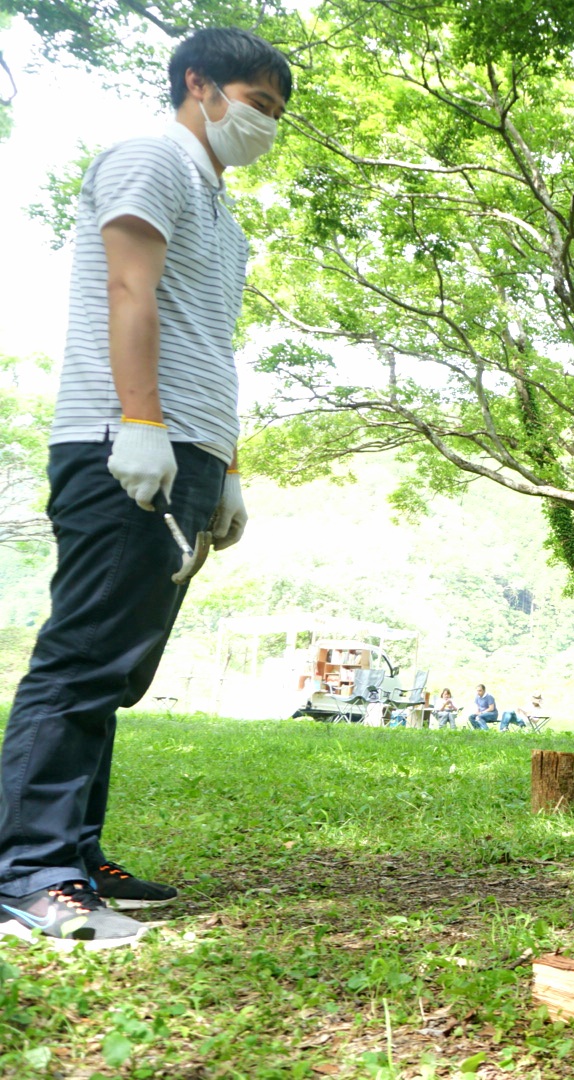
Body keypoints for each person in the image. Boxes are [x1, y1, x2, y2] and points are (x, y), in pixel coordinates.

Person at [0, 29, 293, 950]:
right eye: (257, 101)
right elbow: (130, 290)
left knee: (120, 665)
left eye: (278, 114)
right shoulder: (148, 158)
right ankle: (30, 872)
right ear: (198, 84)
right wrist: (140, 421)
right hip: (122, 440)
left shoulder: (226, 214)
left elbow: (214, 343)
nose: (266, 125)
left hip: (190, 453)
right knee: (83, 656)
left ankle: (75, 853)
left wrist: (228, 471)